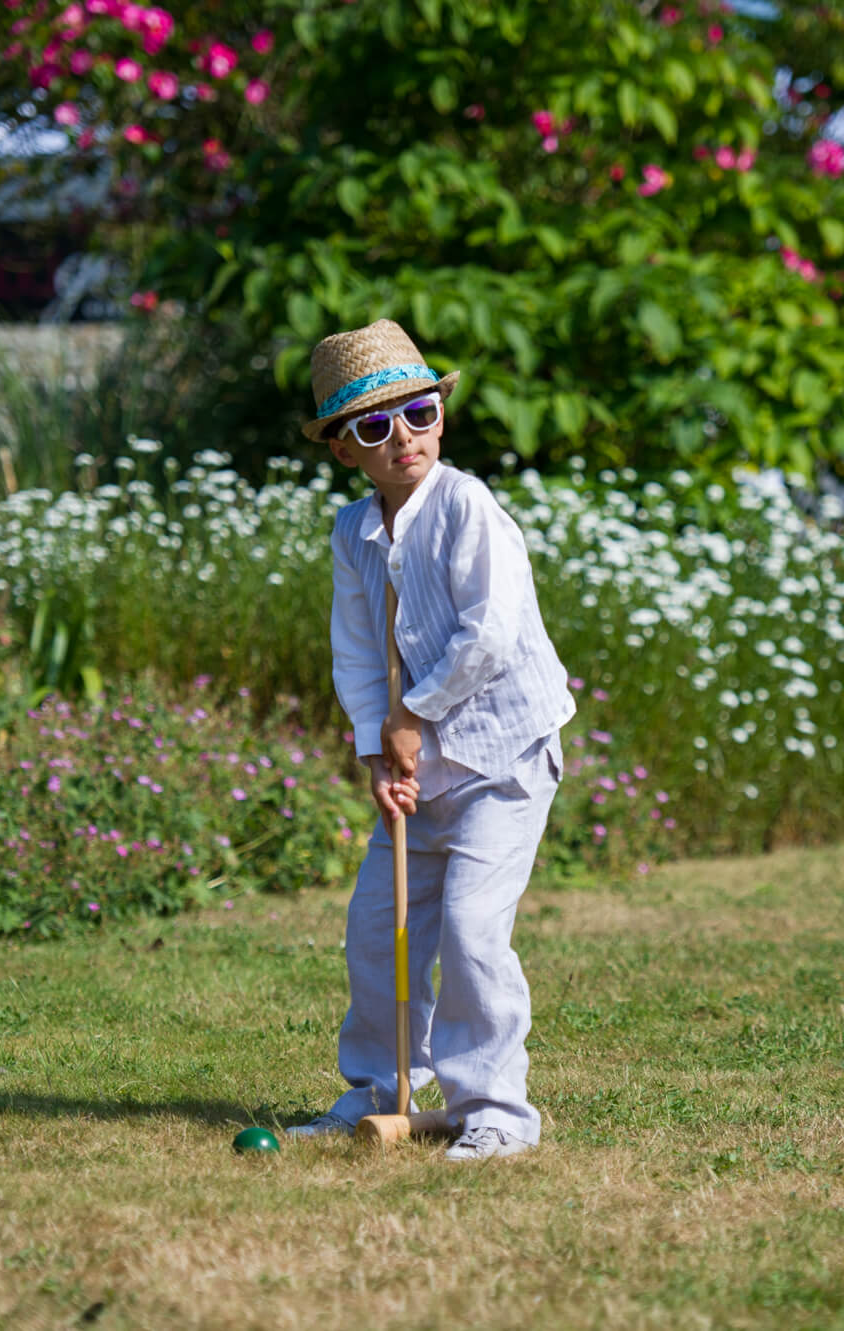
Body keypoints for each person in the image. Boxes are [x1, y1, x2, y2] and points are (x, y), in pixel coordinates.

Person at [285, 319, 574, 1160]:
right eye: (374, 427)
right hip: (422, 769)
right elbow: (357, 654)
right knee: (377, 930)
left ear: (440, 416)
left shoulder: (467, 506)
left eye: (416, 413)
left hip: (506, 754)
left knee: (471, 927)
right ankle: (378, 1088)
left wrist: (414, 714)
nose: (402, 437)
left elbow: (489, 632)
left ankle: (496, 1110)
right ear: (346, 451)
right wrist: (381, 753)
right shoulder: (353, 534)